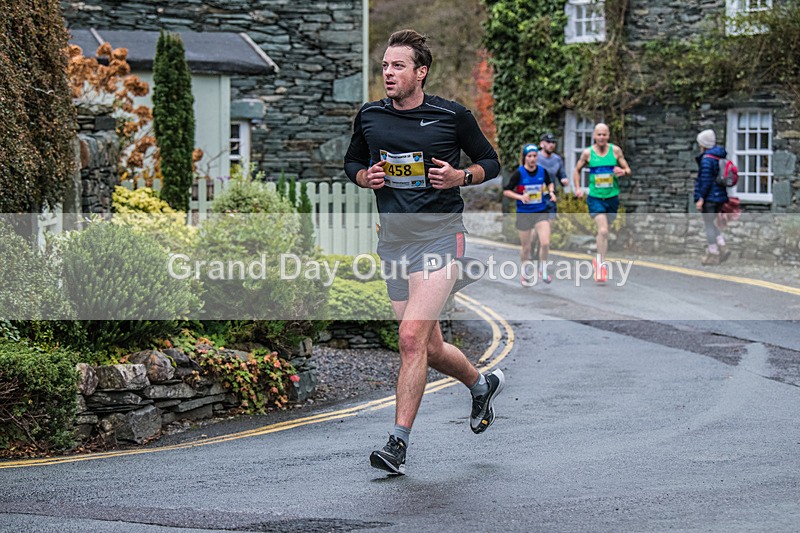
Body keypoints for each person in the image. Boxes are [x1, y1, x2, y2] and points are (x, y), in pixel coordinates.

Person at [343, 29, 505, 476]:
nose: (388, 73)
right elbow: (352, 161)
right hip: (393, 242)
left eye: (397, 66)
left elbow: (490, 162)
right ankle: (481, 383)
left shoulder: (452, 116)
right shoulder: (371, 116)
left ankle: (397, 443)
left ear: (420, 71)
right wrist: (364, 178)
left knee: (410, 338)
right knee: (429, 347)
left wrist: (460, 177)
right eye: (385, 66)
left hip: (440, 238)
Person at [572, 123, 631, 282]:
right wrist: (577, 188)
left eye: (604, 134)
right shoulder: (588, 153)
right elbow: (576, 170)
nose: (602, 138)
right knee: (603, 230)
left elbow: (628, 169)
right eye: (599, 135)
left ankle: (600, 259)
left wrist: (623, 171)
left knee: (605, 232)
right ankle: (601, 264)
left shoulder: (615, 151)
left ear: (608, 135)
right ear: (594, 136)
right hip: (596, 197)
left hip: (612, 197)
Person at [503, 143, 556, 285]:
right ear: (525, 158)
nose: (532, 159)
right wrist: (520, 197)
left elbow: (550, 183)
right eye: (530, 156)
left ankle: (543, 269)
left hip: (540, 212)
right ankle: (525, 271)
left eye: (534, 156)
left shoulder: (542, 171)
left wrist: (551, 192)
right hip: (524, 213)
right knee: (526, 248)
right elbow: (506, 191)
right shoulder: (519, 173)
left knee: (545, 243)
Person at [694, 129, 730, 265]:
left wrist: (701, 198)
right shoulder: (719, 156)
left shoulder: (707, 160)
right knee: (711, 223)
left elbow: (706, 180)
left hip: (710, 197)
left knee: (708, 224)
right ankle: (721, 246)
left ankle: (714, 252)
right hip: (720, 196)